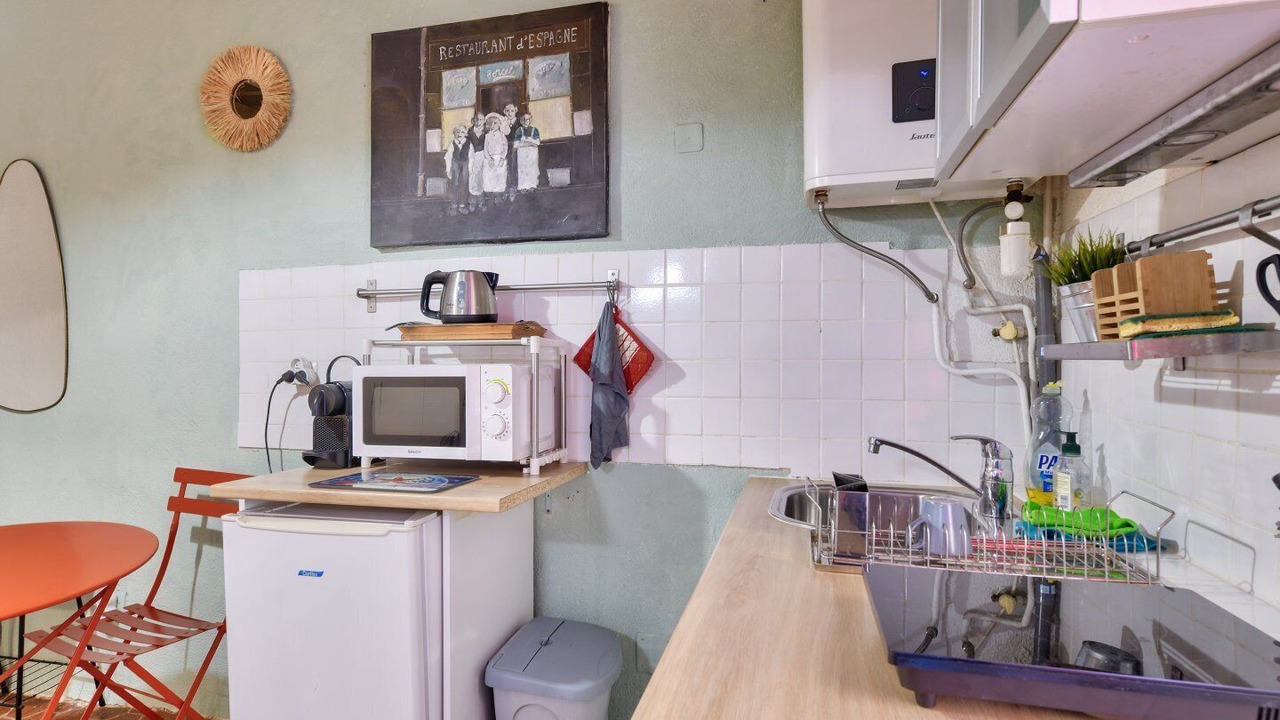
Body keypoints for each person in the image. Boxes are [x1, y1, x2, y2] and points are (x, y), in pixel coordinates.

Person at [442, 124, 470, 213]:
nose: (459, 134)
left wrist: (471, 169)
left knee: (464, 183)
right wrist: (448, 169)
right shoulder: (452, 143)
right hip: (455, 163)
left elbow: (471, 156)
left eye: (462, 132)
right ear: (454, 133)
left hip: (465, 164)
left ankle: (462, 204)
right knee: (455, 183)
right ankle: (454, 204)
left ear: (465, 133)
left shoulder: (468, 143)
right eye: (457, 132)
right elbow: (448, 156)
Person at [481, 112, 508, 194]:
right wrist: (489, 158)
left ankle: (499, 193)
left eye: (495, 123)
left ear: (499, 124)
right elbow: (485, 148)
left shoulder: (502, 135)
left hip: (499, 157)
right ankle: (490, 193)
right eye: (490, 123)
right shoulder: (487, 136)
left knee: (500, 174)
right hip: (490, 158)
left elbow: (505, 147)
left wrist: (502, 158)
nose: (492, 125)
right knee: (490, 175)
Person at [513, 113, 541, 191]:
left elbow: (537, 142)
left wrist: (526, 141)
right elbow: (516, 144)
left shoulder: (534, 130)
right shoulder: (519, 130)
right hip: (522, 153)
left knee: (532, 169)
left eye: (527, 119)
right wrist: (530, 142)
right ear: (521, 121)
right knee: (523, 169)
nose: (525, 121)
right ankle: (523, 187)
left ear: (530, 120)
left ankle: (532, 185)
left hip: (532, 153)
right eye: (523, 120)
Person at [466, 113, 485, 201]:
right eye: (477, 119)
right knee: (473, 174)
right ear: (473, 121)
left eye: (481, 119)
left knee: (482, 175)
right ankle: (472, 197)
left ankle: (481, 198)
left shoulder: (487, 131)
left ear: (484, 121)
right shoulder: (469, 132)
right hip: (472, 156)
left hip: (483, 156)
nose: (478, 121)